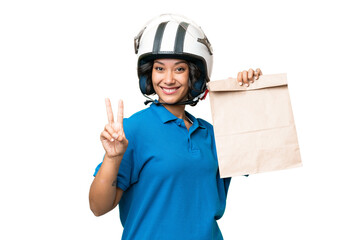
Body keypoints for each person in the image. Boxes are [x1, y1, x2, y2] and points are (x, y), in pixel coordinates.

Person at [89, 14, 262, 240]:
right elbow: (98, 207)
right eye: (159, 69)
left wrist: (250, 94)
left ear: (195, 76)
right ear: (148, 75)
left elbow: (264, 149)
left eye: (179, 69)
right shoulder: (132, 130)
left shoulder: (211, 134)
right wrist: (112, 158)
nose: (168, 79)